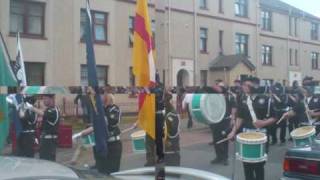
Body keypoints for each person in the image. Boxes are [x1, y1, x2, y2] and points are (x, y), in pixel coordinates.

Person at [227, 77, 277, 180]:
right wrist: (233, 131)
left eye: (246, 85)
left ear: (254, 86)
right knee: (247, 165)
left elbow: (274, 117)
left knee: (259, 165)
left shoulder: (265, 99)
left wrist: (264, 123)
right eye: (243, 85)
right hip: (246, 136)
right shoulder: (243, 99)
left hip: (261, 136)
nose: (243, 87)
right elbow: (240, 118)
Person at [78, 93, 122, 174]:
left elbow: (108, 122)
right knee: (101, 172)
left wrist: (89, 130)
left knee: (112, 173)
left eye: (100, 95)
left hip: (112, 145)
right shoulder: (99, 109)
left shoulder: (114, 108)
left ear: (107, 97)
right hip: (101, 144)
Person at [26, 94, 60, 161]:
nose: (43, 101)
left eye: (45, 99)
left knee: (48, 162)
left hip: (49, 142)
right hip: (45, 140)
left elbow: (43, 114)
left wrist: (31, 108)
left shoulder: (53, 111)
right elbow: (43, 117)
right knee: (43, 160)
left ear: (51, 99)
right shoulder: (48, 109)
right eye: (43, 99)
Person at [210, 84, 237, 166]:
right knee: (216, 140)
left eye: (218, 87)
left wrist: (232, 119)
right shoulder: (214, 97)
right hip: (215, 120)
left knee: (224, 139)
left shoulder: (229, 97)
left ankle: (225, 158)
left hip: (225, 121)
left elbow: (234, 108)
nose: (216, 88)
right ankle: (218, 157)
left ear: (223, 89)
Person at [164, 91, 180, 166]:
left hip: (172, 139)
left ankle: (174, 172)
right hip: (168, 138)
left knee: (172, 154)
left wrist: (167, 137)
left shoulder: (171, 114)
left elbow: (173, 129)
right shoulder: (167, 112)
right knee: (168, 155)